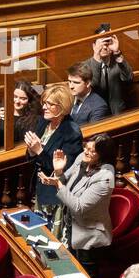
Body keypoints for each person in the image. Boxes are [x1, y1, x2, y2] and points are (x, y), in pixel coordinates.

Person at [38, 132, 117, 276]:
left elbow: (79, 206)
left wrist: (58, 185)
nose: (86, 152)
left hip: (89, 236)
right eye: (86, 147)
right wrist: (58, 171)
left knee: (88, 277)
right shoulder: (82, 158)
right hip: (70, 226)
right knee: (71, 270)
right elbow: (64, 180)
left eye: (92, 151)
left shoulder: (106, 177)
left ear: (102, 155)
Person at [25, 82, 84, 214]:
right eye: (44, 103)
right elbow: (33, 156)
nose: (44, 107)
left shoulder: (72, 132)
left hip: (56, 194)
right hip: (39, 188)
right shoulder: (43, 122)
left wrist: (39, 151)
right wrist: (31, 151)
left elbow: (65, 170)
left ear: (62, 106)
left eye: (49, 104)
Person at [80, 24, 134, 116]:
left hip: (118, 114)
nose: (105, 47)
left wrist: (117, 52)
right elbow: (93, 86)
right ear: (94, 46)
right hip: (95, 115)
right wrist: (97, 57)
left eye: (108, 43)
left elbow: (128, 79)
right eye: (102, 43)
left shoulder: (118, 62)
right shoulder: (85, 66)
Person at [0, 80, 42, 147]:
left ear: (29, 101)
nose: (17, 101)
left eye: (23, 98)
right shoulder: (1, 110)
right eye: (15, 97)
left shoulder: (34, 118)